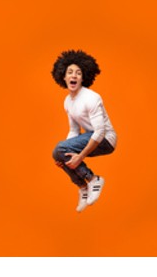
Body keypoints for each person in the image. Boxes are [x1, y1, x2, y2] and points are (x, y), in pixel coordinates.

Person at [50, 50, 116, 212]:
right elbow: (73, 130)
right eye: (70, 72)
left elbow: (100, 132)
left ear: (83, 77)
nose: (74, 75)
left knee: (61, 149)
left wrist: (80, 156)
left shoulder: (91, 98)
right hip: (89, 137)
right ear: (63, 77)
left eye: (78, 73)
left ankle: (93, 179)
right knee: (57, 153)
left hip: (106, 139)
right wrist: (63, 156)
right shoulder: (67, 101)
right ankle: (83, 187)